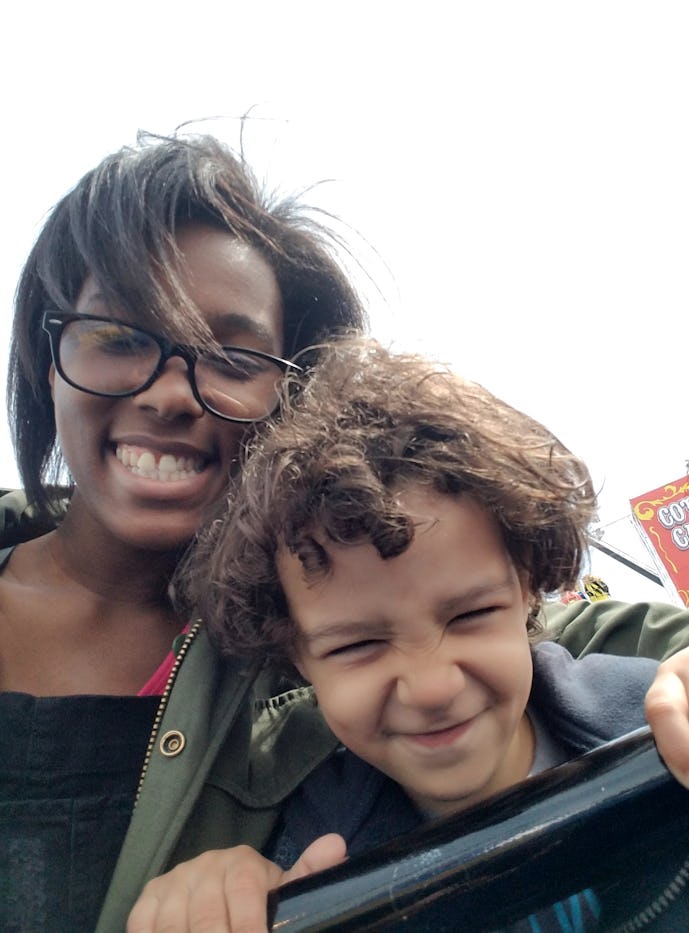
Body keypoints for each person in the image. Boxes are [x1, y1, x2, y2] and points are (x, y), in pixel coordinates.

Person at [128, 335, 689, 931]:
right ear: (296, 657)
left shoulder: (669, 726)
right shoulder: (299, 864)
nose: (430, 688)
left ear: (527, 588)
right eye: (357, 646)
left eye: (470, 616)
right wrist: (221, 900)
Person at [0, 130, 367, 933]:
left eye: (233, 359)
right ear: (45, 356)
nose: (170, 395)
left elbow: (531, 630)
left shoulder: (330, 629)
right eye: (121, 340)